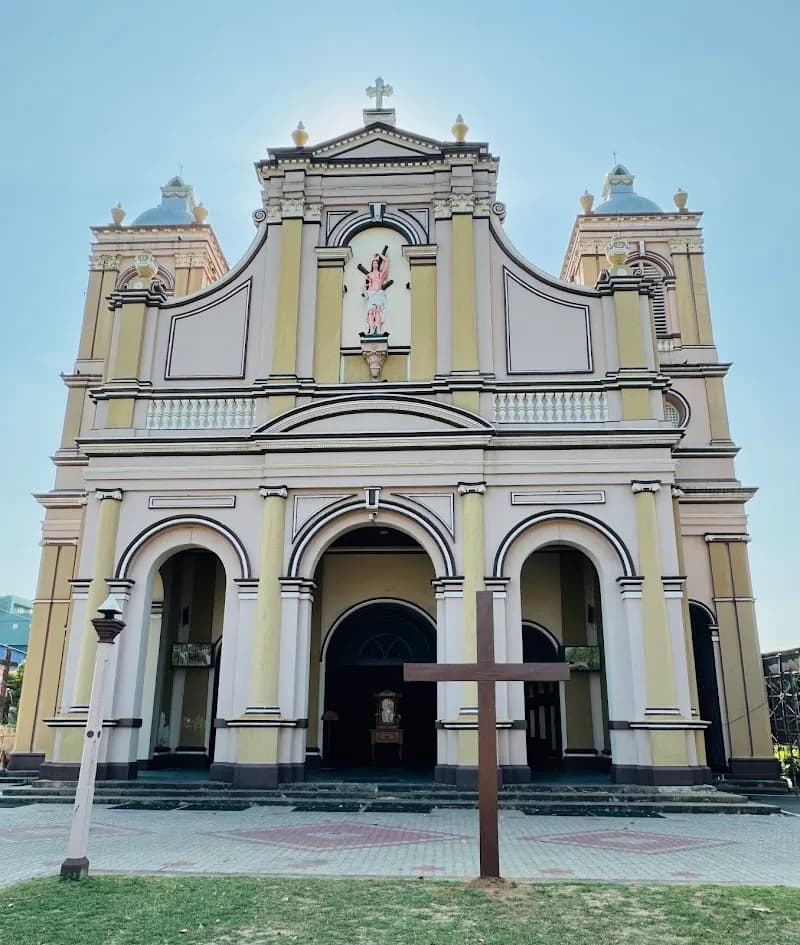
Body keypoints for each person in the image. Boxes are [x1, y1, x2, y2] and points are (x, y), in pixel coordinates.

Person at [362, 250, 390, 334]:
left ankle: (378, 328)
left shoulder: (380, 275)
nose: (375, 264)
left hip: (378, 294)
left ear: (378, 265)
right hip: (371, 294)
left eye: (376, 263)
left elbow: (387, 261)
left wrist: (379, 254)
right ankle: (371, 329)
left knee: (377, 310)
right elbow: (367, 286)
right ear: (372, 265)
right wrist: (365, 290)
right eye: (373, 263)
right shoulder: (369, 275)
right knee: (370, 312)